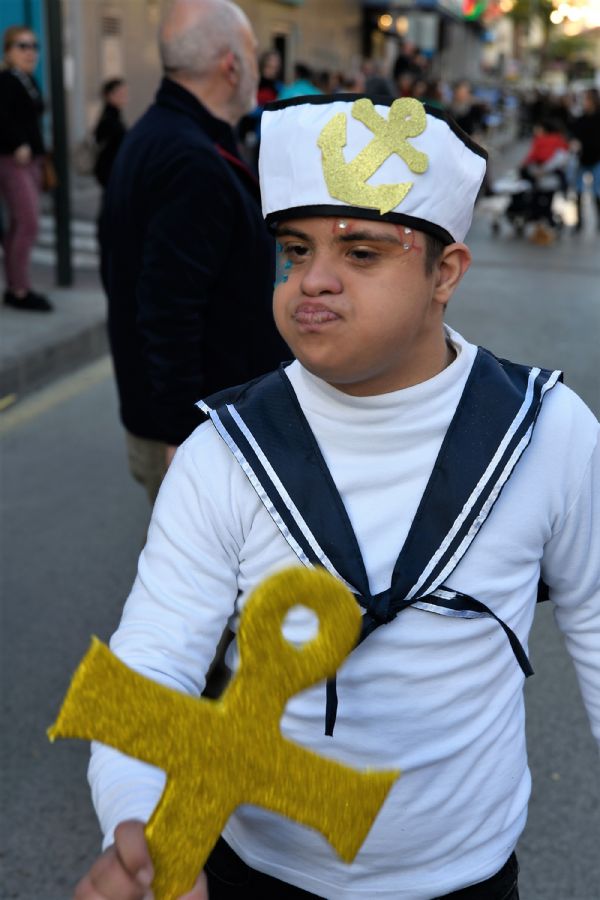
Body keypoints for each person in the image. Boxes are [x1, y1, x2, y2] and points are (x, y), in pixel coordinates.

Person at [79, 94, 599, 899]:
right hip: (255, 872)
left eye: (361, 253)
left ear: (445, 274)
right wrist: (141, 828)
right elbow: (153, 663)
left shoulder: (548, 433)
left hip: (466, 878)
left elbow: (597, 624)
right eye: (295, 249)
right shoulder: (224, 450)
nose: (312, 280)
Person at [99, 0, 288, 505]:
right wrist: (184, 431)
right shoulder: (190, 159)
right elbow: (167, 312)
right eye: (252, 52)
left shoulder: (159, 134)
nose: (257, 64)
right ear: (232, 63)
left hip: (192, 419)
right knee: (204, 582)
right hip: (203, 430)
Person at [0, 25, 52, 312]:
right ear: (8, 50)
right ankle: (19, 289)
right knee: (28, 223)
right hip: (13, 161)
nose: (30, 52)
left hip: (31, 161)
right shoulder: (7, 80)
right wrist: (17, 142)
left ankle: (16, 286)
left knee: (21, 224)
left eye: (34, 46)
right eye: (22, 46)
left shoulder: (27, 80)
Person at [569, 87, 600, 232]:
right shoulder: (580, 118)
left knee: (597, 192)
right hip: (582, 159)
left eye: (586, 99)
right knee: (579, 192)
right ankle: (579, 222)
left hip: (597, 159)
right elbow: (573, 133)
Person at [93, 78, 128, 190]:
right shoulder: (109, 118)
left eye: (125, 93)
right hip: (110, 168)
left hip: (111, 168)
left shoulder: (113, 115)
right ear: (109, 95)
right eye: (120, 93)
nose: (125, 97)